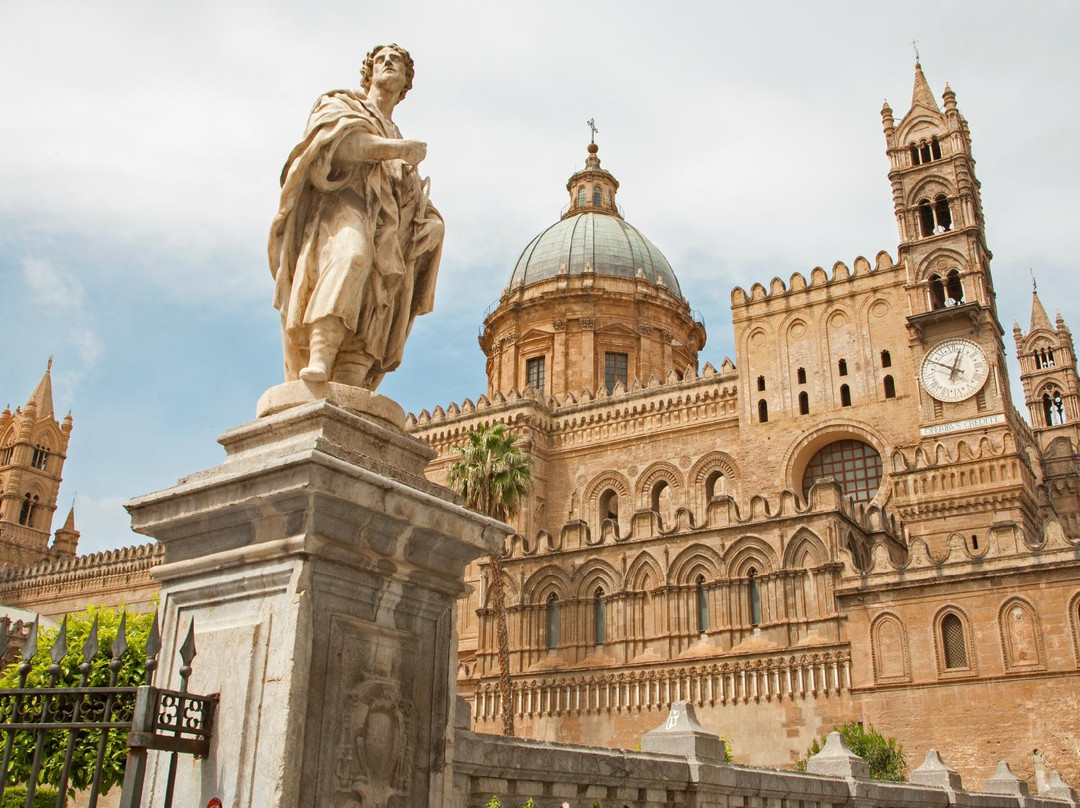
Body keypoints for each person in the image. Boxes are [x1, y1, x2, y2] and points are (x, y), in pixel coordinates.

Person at [269, 44, 443, 389]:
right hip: (346, 207)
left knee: (383, 297)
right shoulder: (341, 105)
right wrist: (398, 150)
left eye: (397, 61)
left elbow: (413, 195)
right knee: (352, 257)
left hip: (391, 229)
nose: (388, 62)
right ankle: (320, 355)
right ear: (370, 73)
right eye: (381, 59)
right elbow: (335, 148)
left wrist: (435, 223)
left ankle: (352, 372)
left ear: (407, 80)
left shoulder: (395, 132)